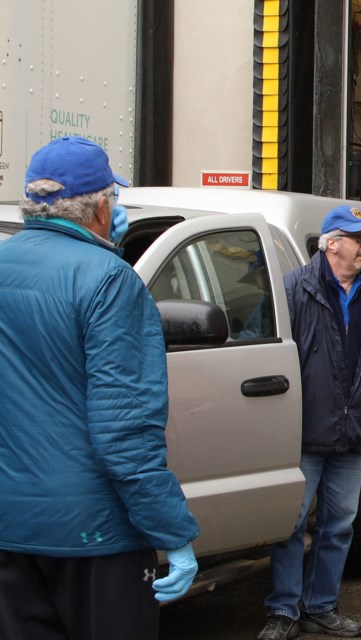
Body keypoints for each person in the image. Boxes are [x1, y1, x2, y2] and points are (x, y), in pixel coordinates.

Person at [0, 136, 200, 639]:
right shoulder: (110, 281)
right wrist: (173, 534)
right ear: (102, 206)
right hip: (94, 536)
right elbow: (125, 433)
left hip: (10, 525)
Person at [258, 205, 361, 640]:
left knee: (339, 523)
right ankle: (284, 611)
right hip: (305, 433)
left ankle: (321, 606)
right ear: (331, 243)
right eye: (357, 238)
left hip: (353, 434)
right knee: (289, 524)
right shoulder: (293, 290)